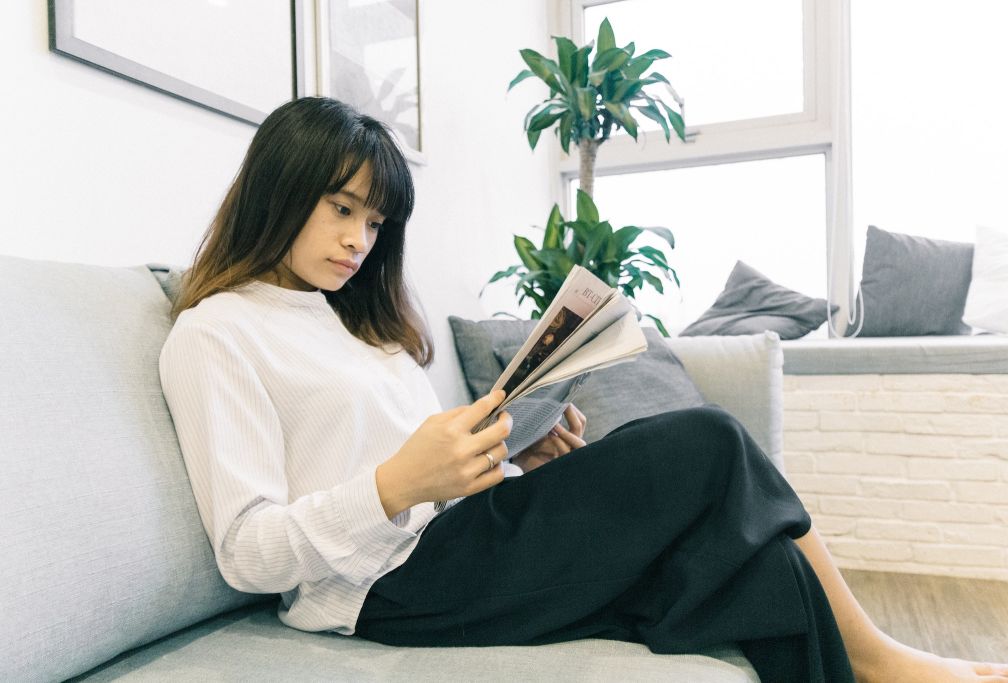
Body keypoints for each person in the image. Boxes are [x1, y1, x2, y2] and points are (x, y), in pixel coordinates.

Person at [158, 96, 1007, 683]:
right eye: (341, 208)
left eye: (374, 222)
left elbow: (425, 473)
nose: (358, 240)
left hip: (461, 537)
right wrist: (393, 486)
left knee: (763, 574)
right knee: (709, 442)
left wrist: (509, 456)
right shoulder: (216, 334)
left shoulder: (354, 321)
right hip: (387, 588)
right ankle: (882, 657)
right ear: (279, 190)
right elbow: (247, 552)